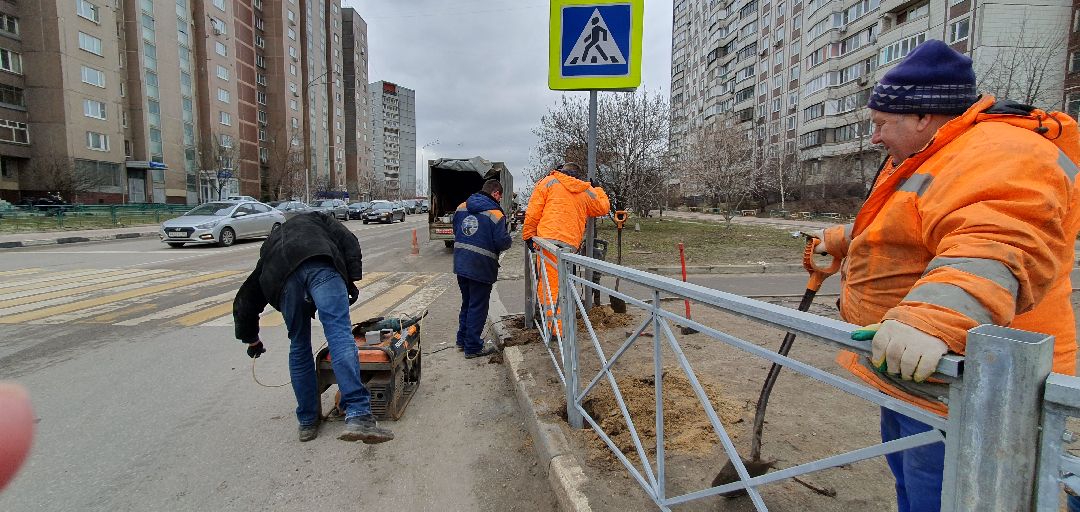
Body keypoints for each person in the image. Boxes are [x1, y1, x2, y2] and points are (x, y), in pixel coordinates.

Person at [809, 40, 1079, 512]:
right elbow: (906, 224)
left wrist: (932, 317)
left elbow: (999, 239)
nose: (874, 139)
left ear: (922, 116)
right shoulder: (939, 155)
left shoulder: (1001, 152)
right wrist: (837, 239)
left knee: (944, 494)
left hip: (974, 382)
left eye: (880, 124)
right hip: (915, 367)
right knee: (913, 486)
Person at [233, 211, 394, 444]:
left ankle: (308, 422)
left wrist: (252, 340)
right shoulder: (319, 219)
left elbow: (246, 299)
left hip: (285, 282)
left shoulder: (272, 244)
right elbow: (349, 241)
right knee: (339, 335)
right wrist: (351, 279)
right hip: (322, 268)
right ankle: (359, 415)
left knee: (299, 346)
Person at [522, 162, 610, 337]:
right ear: (578, 175)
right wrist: (598, 189)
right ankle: (559, 328)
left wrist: (528, 236)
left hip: (547, 242)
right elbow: (603, 207)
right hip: (569, 246)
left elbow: (533, 212)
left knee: (549, 287)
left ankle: (556, 332)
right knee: (563, 285)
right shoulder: (585, 190)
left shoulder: (548, 182)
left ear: (562, 171)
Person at [452, 179, 513, 358]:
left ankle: (462, 340)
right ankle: (473, 347)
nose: (499, 200)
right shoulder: (496, 213)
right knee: (478, 306)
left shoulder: (462, 206)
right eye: (499, 197)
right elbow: (502, 242)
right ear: (495, 193)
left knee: (467, 302)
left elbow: (456, 230)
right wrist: (509, 240)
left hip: (461, 263)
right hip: (481, 266)